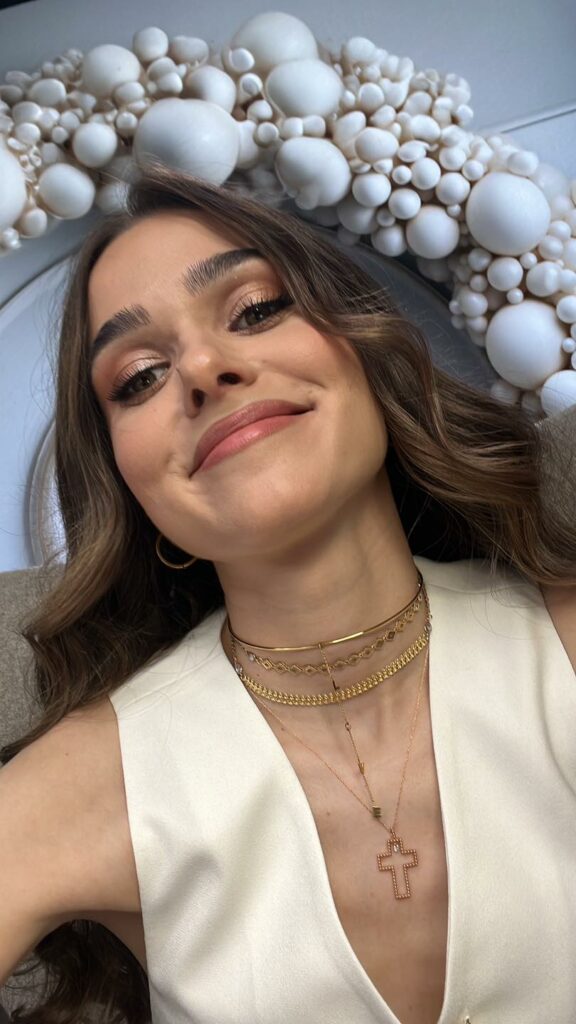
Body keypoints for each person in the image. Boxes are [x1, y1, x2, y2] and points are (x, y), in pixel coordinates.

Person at [0, 162, 574, 1024]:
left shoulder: (562, 646)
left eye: (257, 309)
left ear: (368, 350)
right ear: (130, 489)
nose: (203, 367)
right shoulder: (83, 783)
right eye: (140, 376)